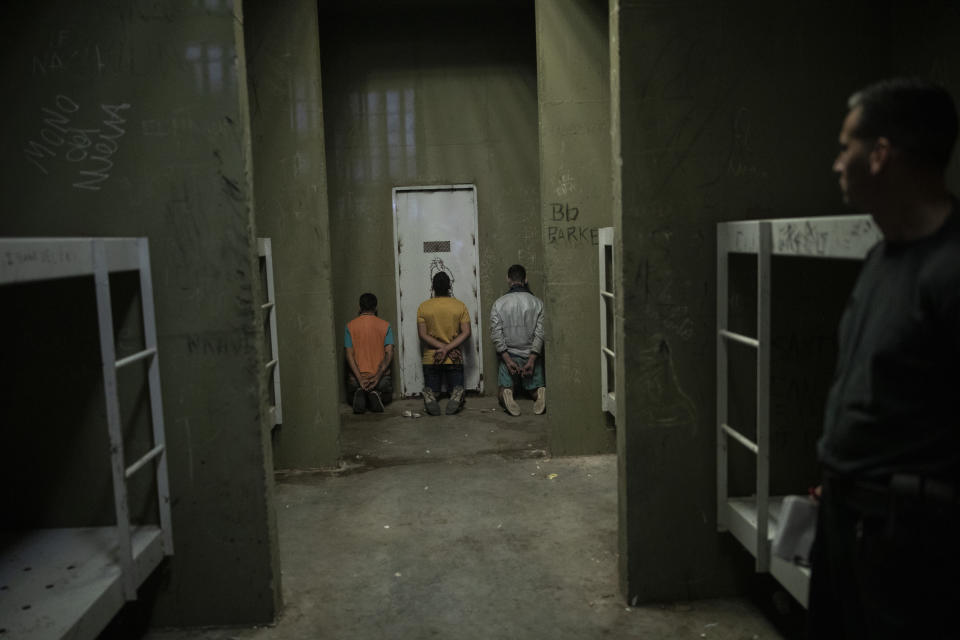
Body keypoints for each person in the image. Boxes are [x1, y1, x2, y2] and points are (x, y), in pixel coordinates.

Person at [808, 78, 960, 639]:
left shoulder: (950, 272)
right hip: (846, 515)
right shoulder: (881, 257)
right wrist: (842, 469)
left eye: (845, 145)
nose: (836, 163)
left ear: (879, 155)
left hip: (910, 542)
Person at [490, 264, 545, 416]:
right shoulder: (538, 303)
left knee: (503, 390)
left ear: (508, 279)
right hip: (531, 355)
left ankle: (507, 393)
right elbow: (541, 333)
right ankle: (540, 392)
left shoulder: (498, 304)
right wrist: (532, 359)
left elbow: (496, 334)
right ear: (525, 279)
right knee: (533, 389)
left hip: (509, 355)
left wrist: (507, 360)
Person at [417, 271, 471, 415]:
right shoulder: (460, 306)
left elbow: (422, 335)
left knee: (434, 390)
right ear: (449, 286)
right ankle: (457, 393)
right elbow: (466, 332)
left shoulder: (423, 307)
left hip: (432, 357)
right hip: (454, 356)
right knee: (456, 389)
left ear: (433, 287)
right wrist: (447, 348)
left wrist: (441, 348)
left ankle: (430, 394)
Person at [344, 293, 394, 414]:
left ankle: (360, 394)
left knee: (353, 391)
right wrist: (377, 377)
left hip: (357, 380)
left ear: (359, 308)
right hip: (380, 380)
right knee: (387, 393)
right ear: (375, 308)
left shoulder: (349, 327)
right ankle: (377, 395)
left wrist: (360, 379)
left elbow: (349, 355)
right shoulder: (386, 326)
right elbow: (389, 353)